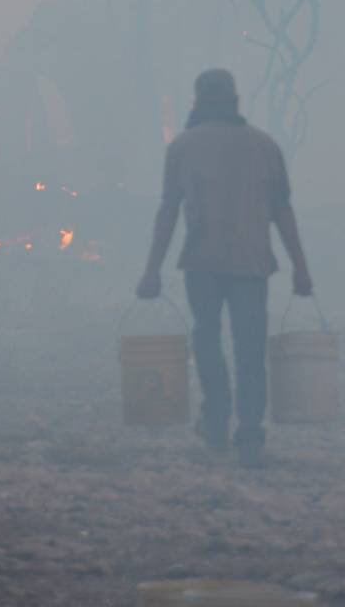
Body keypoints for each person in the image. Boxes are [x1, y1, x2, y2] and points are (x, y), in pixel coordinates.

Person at [136, 68, 312, 468]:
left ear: (198, 102)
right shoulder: (265, 146)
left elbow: (168, 211)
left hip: (203, 262)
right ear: (234, 100)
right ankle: (249, 431)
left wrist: (152, 271)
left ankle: (216, 421)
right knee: (250, 347)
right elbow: (282, 212)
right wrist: (301, 268)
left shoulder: (182, 146)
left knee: (208, 340)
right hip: (251, 264)